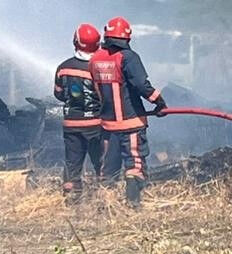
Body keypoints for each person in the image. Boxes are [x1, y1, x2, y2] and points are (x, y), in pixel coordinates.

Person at [89, 16, 166, 205]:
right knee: (134, 163)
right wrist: (159, 102)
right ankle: (133, 203)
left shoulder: (96, 58)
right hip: (131, 123)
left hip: (107, 125)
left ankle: (105, 204)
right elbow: (141, 84)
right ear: (127, 38)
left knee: (108, 166)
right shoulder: (128, 57)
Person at [54, 23, 105, 201]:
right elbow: (105, 95)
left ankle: (71, 195)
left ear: (75, 42)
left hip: (71, 125)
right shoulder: (99, 67)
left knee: (72, 162)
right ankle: (104, 195)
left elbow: (59, 94)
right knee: (101, 162)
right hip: (95, 124)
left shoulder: (63, 67)